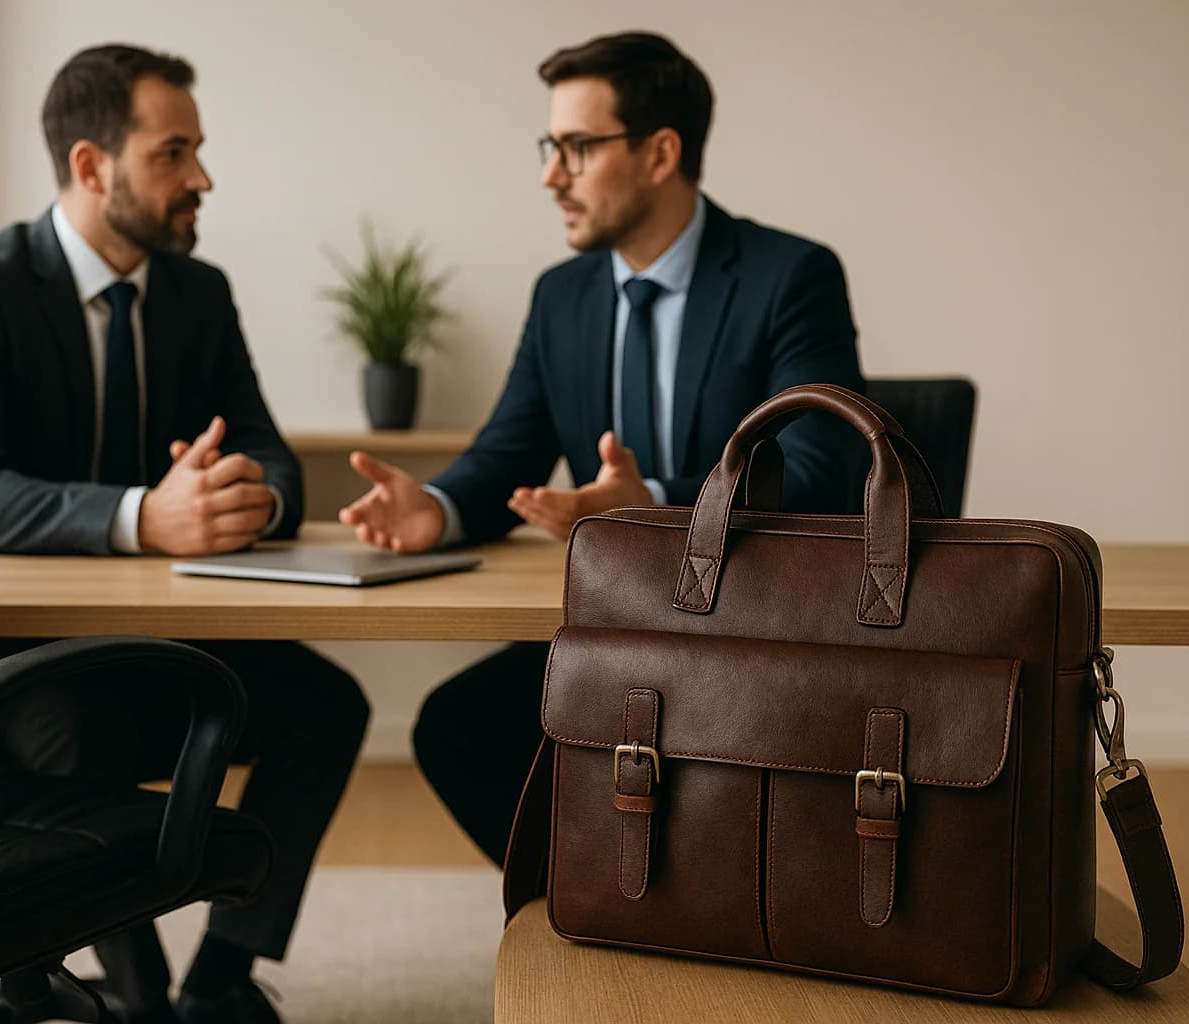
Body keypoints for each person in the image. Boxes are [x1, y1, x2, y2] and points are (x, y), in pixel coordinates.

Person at [0, 44, 367, 1024]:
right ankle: (139, 984)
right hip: (24, 660)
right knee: (84, 736)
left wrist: (251, 498)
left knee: (329, 707)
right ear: (90, 166)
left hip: (173, 637)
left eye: (197, 150)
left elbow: (268, 452)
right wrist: (140, 517)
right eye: (174, 153)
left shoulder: (197, 293)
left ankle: (218, 979)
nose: (202, 177)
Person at [340, 31, 864, 866]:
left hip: (756, 633)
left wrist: (652, 505)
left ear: (661, 152)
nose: (553, 174)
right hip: (616, 627)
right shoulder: (562, 297)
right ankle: (594, 909)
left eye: (578, 147)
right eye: (552, 146)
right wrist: (434, 507)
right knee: (455, 729)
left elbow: (820, 477)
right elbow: (506, 455)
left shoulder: (789, 278)